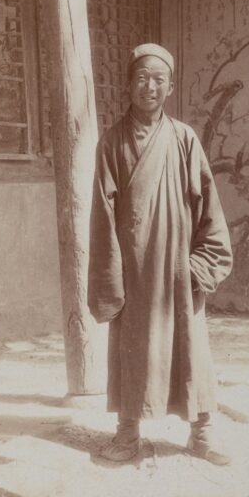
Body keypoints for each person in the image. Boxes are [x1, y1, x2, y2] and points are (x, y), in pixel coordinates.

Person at [88, 43, 233, 465]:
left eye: (158, 79)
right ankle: (127, 434)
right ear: (128, 84)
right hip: (134, 272)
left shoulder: (184, 138)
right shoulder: (112, 142)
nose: (149, 86)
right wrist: (111, 279)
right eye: (141, 78)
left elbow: (210, 208)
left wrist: (201, 265)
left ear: (169, 87)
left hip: (177, 271)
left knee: (191, 348)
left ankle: (202, 433)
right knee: (131, 348)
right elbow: (102, 213)